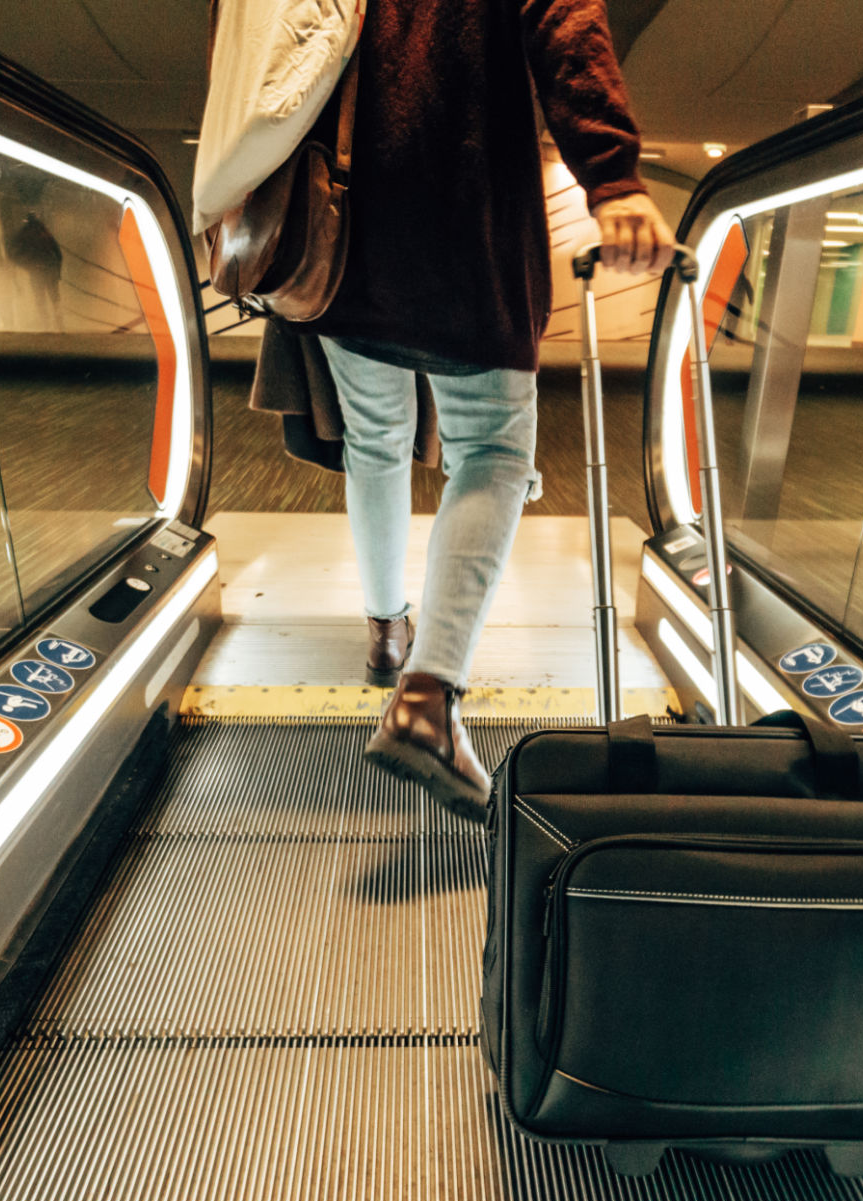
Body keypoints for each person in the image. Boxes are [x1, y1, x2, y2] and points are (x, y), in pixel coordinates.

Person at [279, 0, 675, 819]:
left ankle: (387, 631)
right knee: (492, 453)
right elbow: (565, 20)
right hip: (468, 220)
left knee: (375, 443)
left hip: (344, 230)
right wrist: (613, 175)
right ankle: (428, 697)